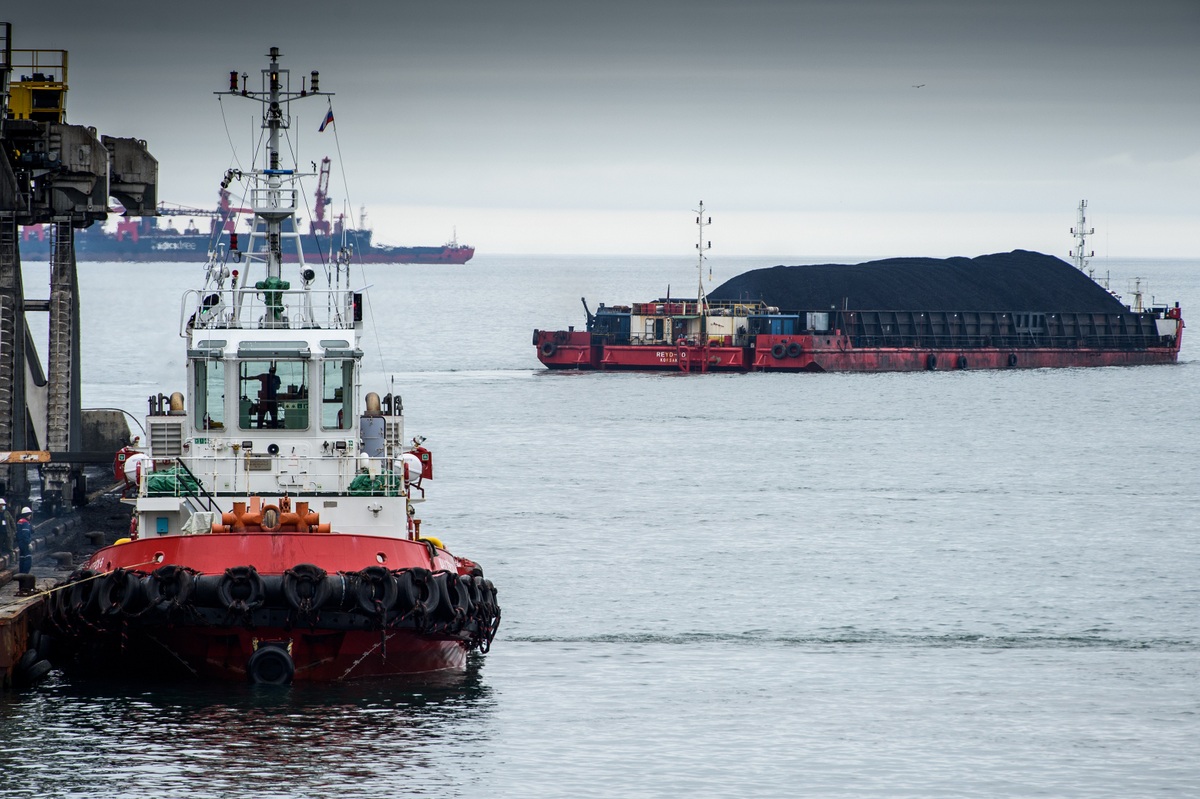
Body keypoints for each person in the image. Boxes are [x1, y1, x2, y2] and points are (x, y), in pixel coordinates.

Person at [16, 506, 33, 575]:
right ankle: (25, 574)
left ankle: (21, 573)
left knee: (22, 558)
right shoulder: (25, 523)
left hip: (20, 542)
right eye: (29, 514)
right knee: (28, 558)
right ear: (27, 514)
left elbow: (19, 532)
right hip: (25, 543)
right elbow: (25, 533)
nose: (30, 516)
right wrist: (28, 543)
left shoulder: (20, 521)